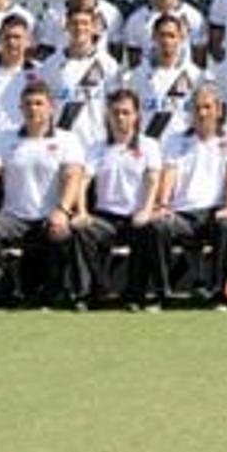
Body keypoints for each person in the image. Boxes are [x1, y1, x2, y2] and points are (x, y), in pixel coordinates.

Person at [0, 80, 87, 308]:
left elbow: (74, 176)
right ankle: (3, 293)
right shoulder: (5, 138)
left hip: (50, 215)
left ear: (51, 107)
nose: (33, 109)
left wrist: (62, 210)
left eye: (39, 103)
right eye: (28, 104)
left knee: (62, 233)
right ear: (21, 108)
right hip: (13, 218)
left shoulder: (67, 139)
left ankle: (52, 295)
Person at [137, 86, 227, 309]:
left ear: (219, 110)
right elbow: (169, 173)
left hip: (215, 211)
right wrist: (163, 204)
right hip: (182, 214)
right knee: (157, 225)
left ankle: (218, 293)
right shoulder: (175, 139)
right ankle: (161, 293)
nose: (202, 113)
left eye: (207, 107)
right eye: (197, 108)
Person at [73, 87, 163, 308]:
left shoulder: (149, 145)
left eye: (126, 112)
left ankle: (135, 295)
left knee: (147, 230)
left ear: (136, 116)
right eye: (116, 113)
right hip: (105, 217)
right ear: (108, 115)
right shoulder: (96, 148)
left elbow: (153, 180)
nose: (121, 118)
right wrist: (82, 211)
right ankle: (92, 293)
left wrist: (147, 210)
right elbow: (83, 181)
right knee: (82, 230)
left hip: (136, 215)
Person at [35, 0, 121, 139]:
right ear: (66, 26)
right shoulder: (50, 65)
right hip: (60, 145)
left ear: (94, 28)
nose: (80, 28)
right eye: (74, 23)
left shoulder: (108, 65)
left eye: (85, 23)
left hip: (96, 145)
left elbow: (115, 107)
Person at [125, 12, 199, 138]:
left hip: (182, 150)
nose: (166, 41)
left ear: (180, 38)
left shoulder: (195, 76)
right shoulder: (137, 76)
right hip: (150, 149)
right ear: (154, 37)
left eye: (171, 36)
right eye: (162, 35)